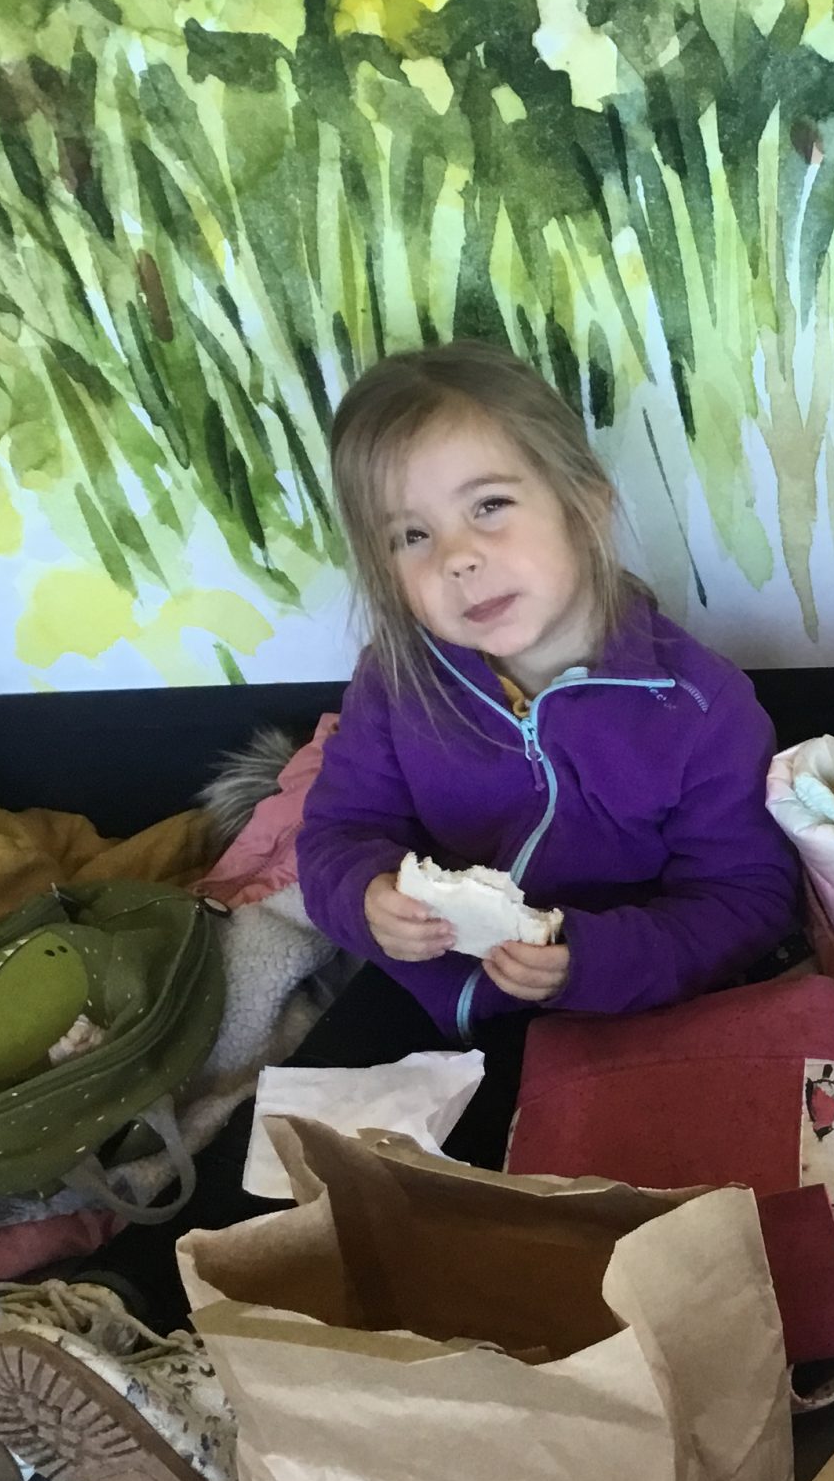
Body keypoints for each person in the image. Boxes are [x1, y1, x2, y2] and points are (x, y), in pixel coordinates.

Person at [298, 342, 800, 1039]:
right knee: (292, 1107)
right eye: (412, 535)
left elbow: (746, 900)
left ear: (585, 503)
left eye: (489, 505)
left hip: (617, 1008)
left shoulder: (702, 710)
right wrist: (366, 896)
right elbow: (335, 834)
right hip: (429, 996)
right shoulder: (395, 680)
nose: (457, 557)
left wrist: (590, 961)